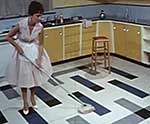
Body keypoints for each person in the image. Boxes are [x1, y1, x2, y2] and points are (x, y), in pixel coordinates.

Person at [6, 1, 53, 115]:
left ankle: (32, 98)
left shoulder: (40, 27)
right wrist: (18, 47)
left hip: (33, 50)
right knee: (24, 79)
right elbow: (9, 37)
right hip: (22, 52)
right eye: (38, 16)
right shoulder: (21, 24)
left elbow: (41, 44)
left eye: (41, 15)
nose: (39, 18)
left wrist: (39, 59)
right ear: (31, 15)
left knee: (33, 78)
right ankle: (25, 103)